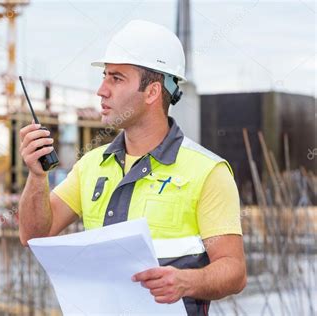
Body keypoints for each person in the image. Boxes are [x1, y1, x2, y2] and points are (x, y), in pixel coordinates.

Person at [18, 20, 246, 315]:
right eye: (104, 76)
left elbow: (234, 271)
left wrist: (186, 281)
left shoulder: (207, 171)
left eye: (116, 78)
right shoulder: (91, 165)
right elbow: (33, 235)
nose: (101, 90)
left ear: (152, 93)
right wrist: (37, 177)